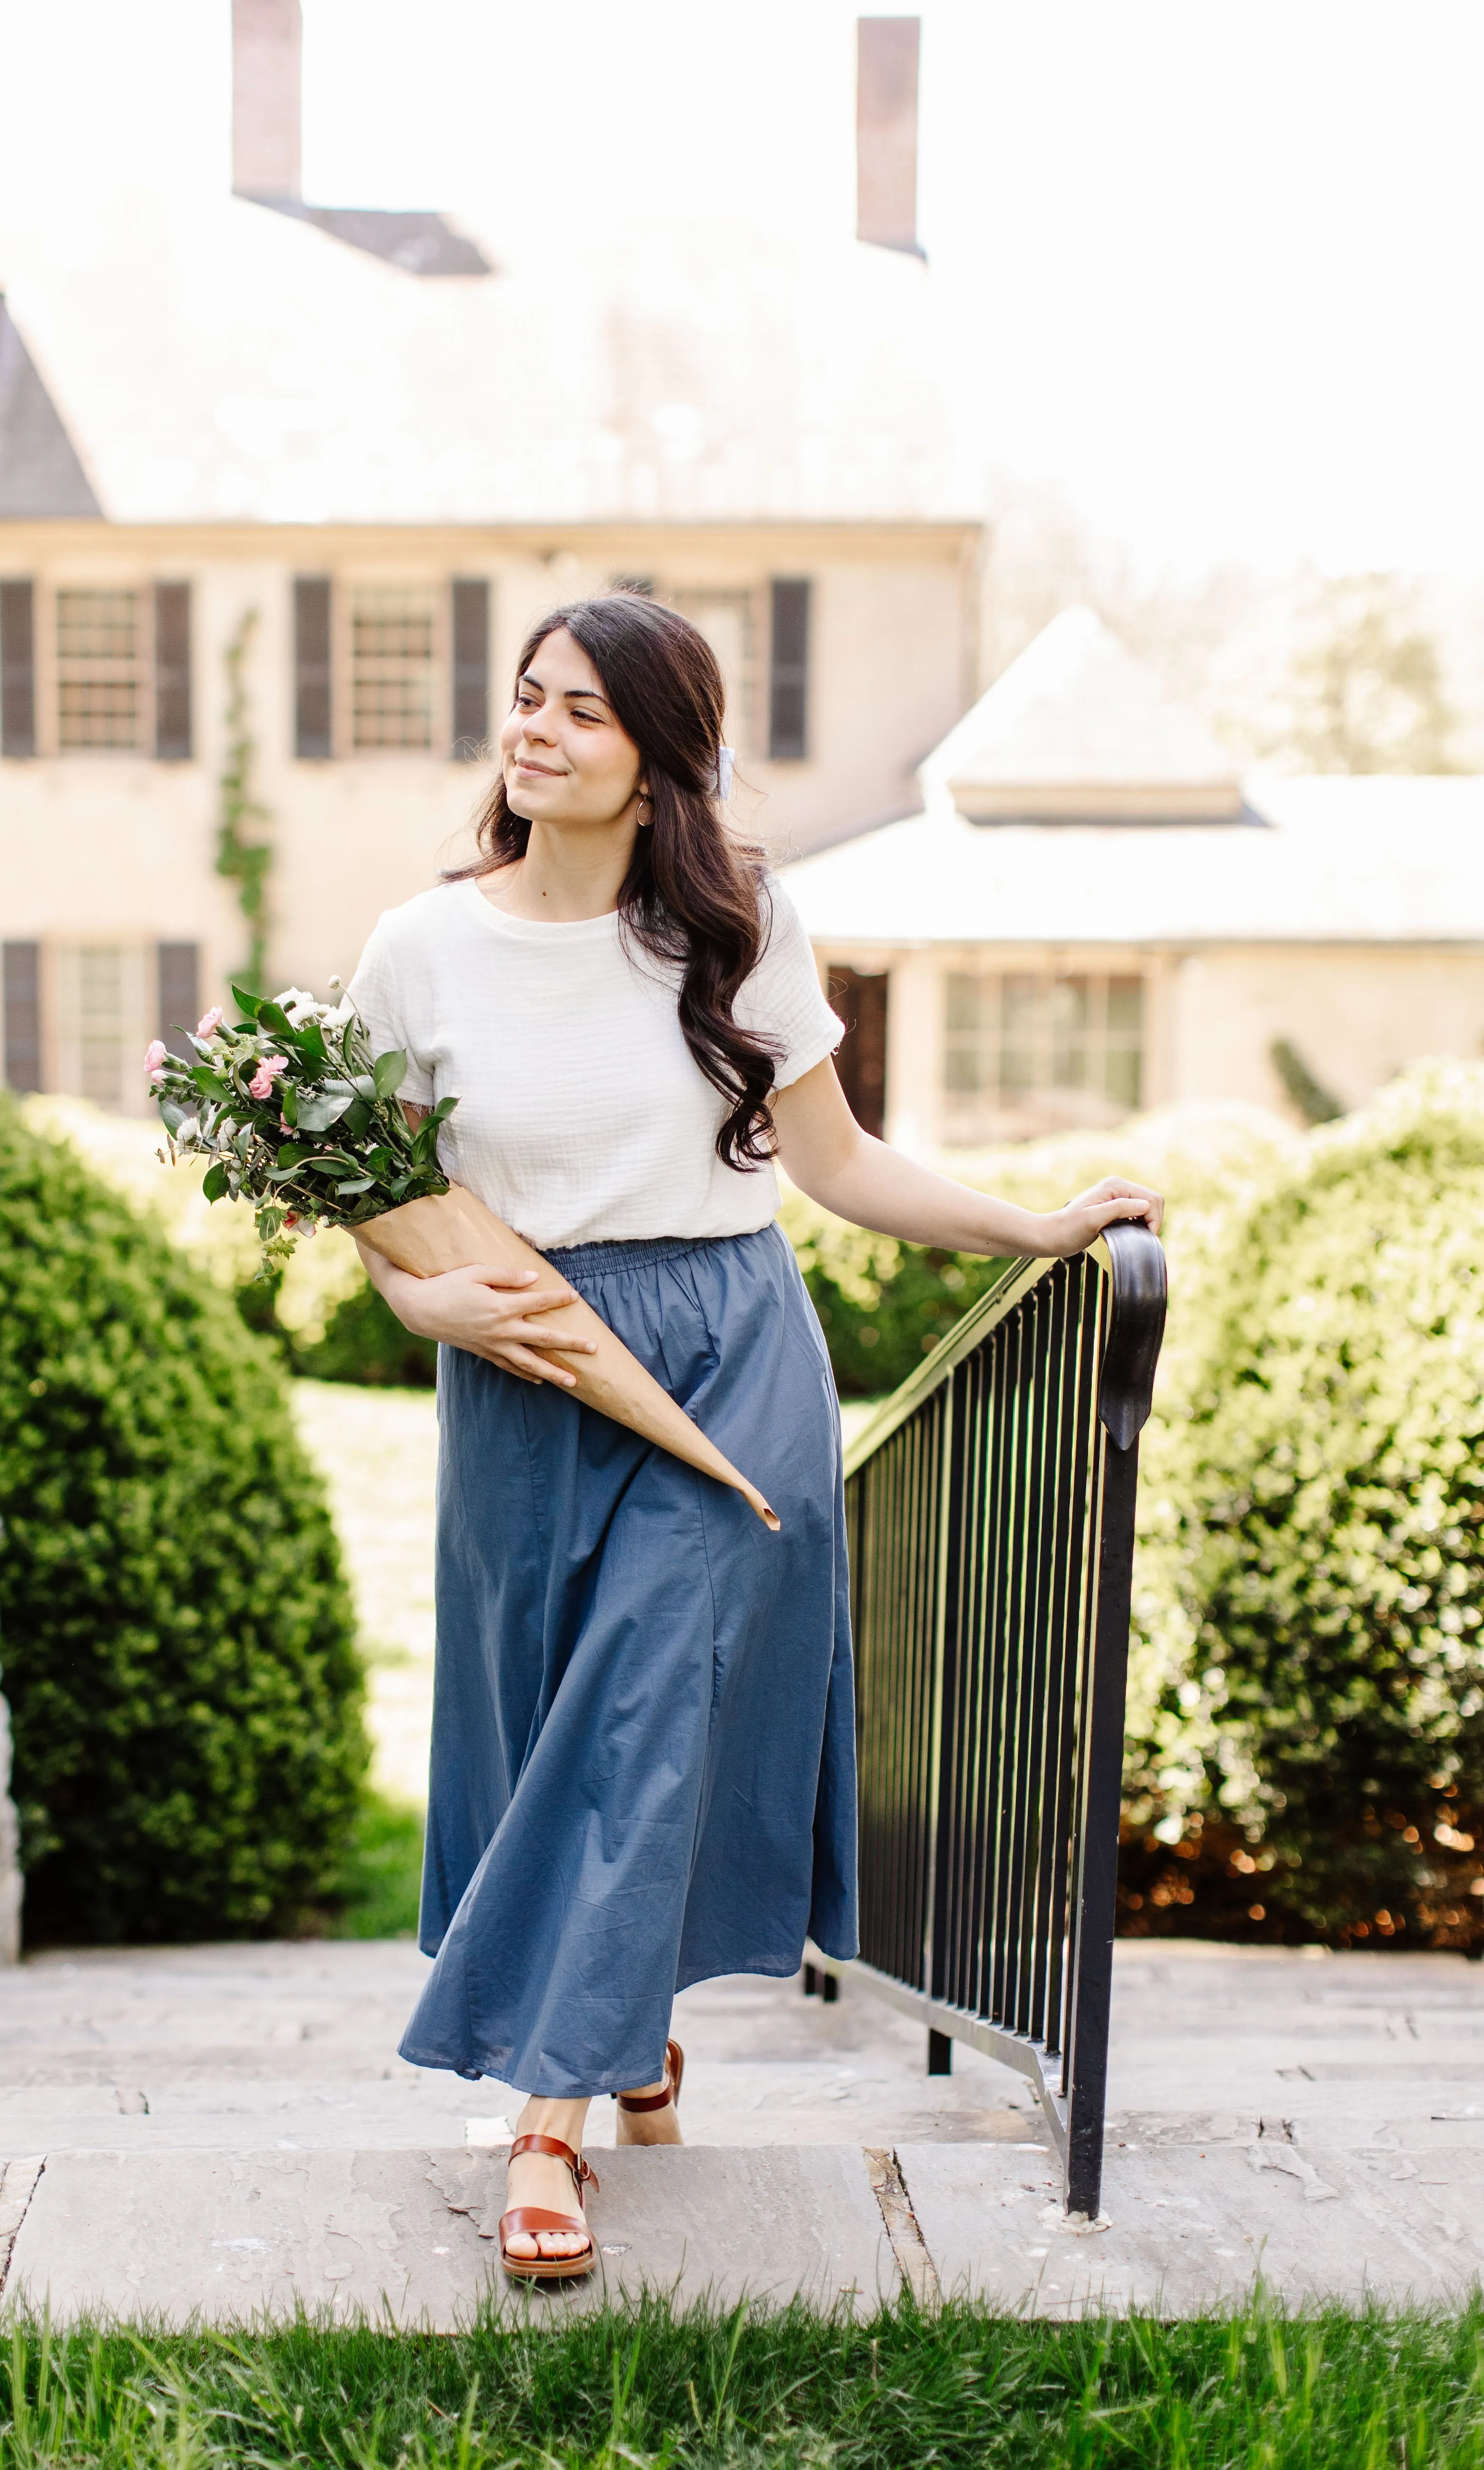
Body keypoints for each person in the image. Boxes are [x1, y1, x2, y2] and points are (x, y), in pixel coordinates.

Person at [348, 594, 1163, 2283]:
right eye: (526, 700)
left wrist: (1037, 1229)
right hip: (524, 1359)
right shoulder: (420, 951)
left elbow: (838, 1162)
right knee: (544, 1715)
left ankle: (547, 2128)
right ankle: (623, 2024)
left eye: (581, 710)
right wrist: (427, 1310)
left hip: (735, 1353)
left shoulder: (736, 927)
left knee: (649, 1695)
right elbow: (369, 1196)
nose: (537, 730)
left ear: (659, 760)